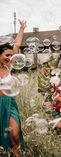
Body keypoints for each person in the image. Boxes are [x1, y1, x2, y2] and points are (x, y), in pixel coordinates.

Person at [0, 20, 26, 157]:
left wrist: (22, 28)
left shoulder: (9, 66)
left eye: (11, 55)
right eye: (7, 55)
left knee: (15, 135)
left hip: (10, 103)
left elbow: (16, 45)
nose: (10, 58)